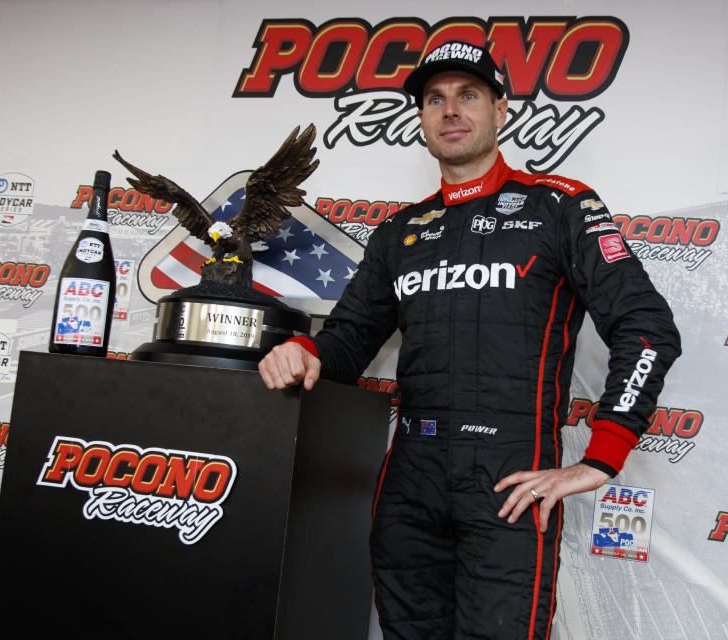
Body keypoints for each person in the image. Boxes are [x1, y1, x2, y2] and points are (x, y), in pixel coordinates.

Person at [258, 40, 681, 640]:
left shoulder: (560, 206)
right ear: (423, 119)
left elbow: (646, 329)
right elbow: (351, 340)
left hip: (510, 479)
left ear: (500, 109)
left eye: (468, 95)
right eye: (435, 99)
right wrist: (306, 353)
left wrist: (602, 455)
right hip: (410, 476)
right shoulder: (400, 232)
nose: (451, 110)